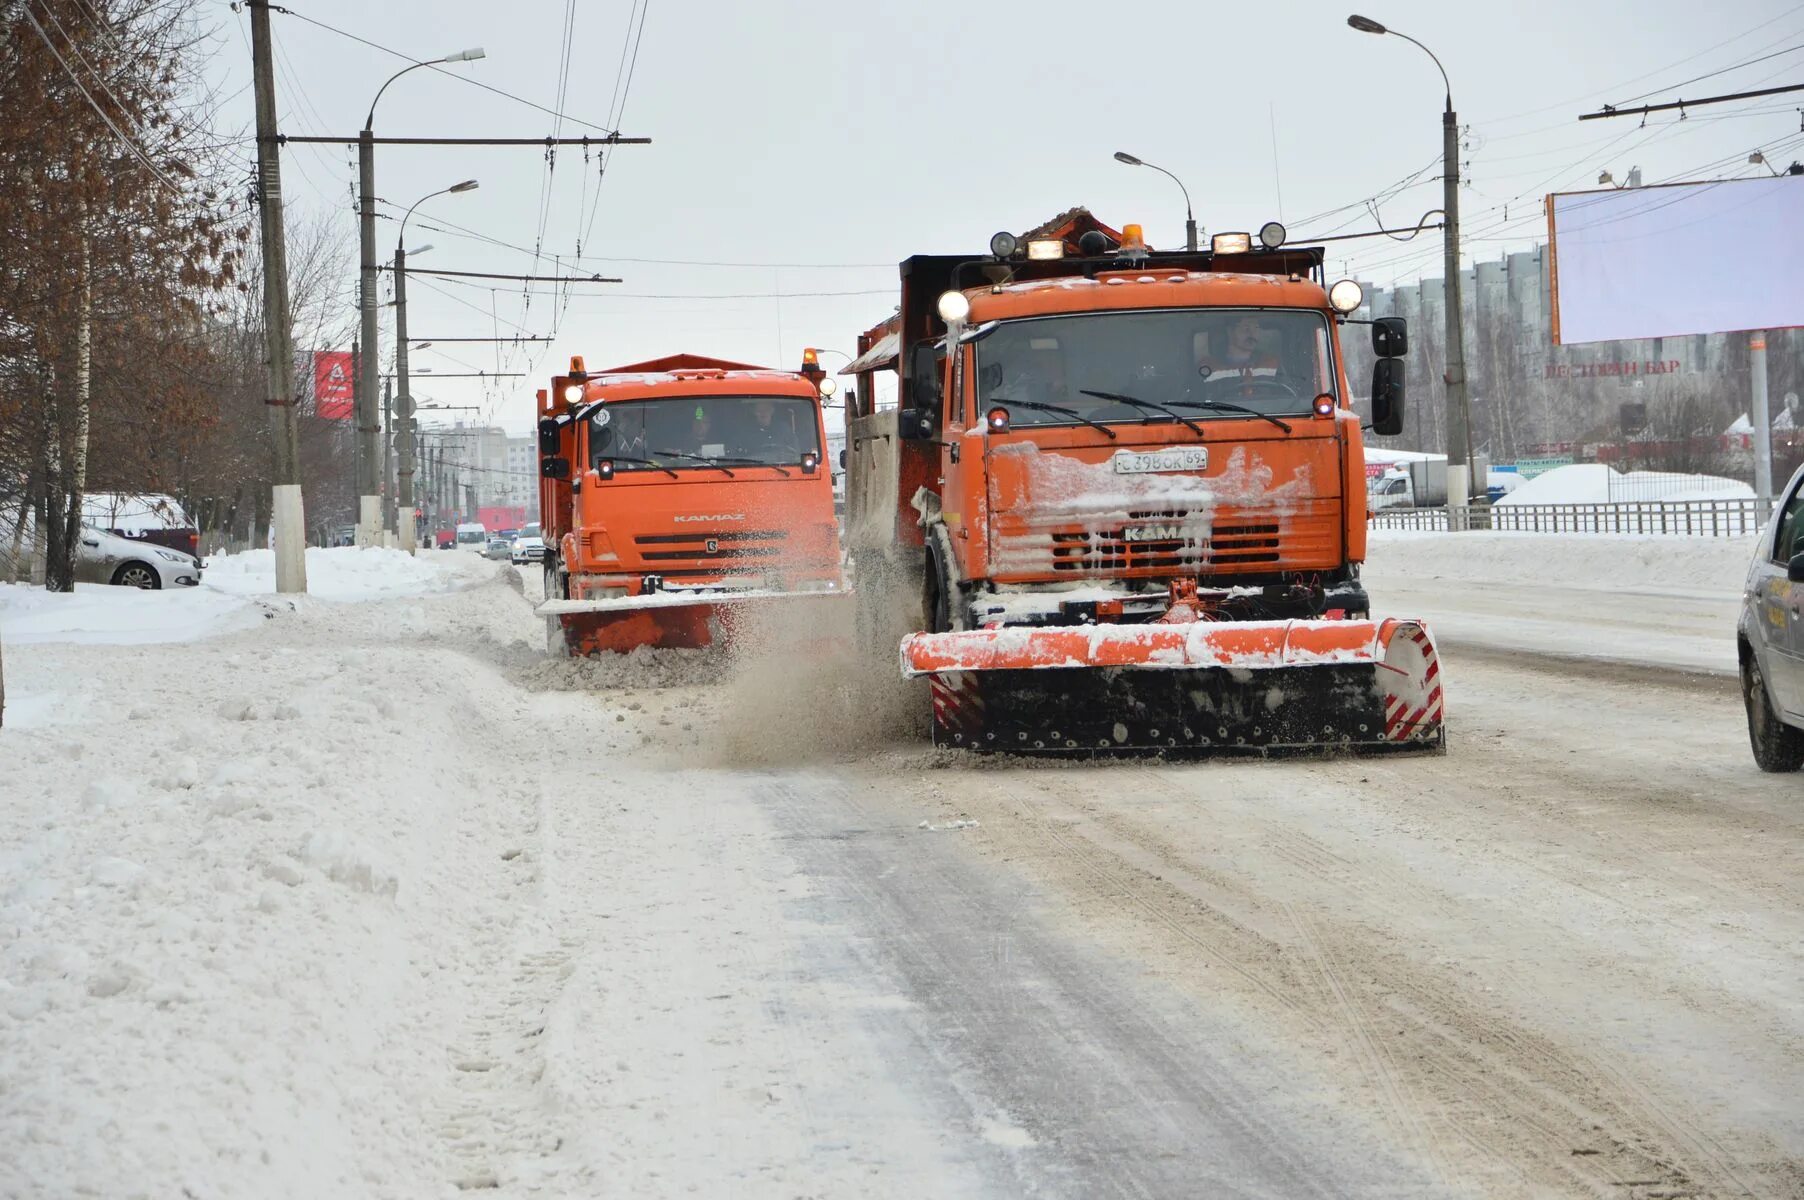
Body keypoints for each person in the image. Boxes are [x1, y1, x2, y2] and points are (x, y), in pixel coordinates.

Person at [735, 398, 799, 460]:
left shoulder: (784, 429)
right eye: (759, 410)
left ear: (772, 410)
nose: (763, 413)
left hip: (784, 466)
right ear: (754, 412)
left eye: (767, 409)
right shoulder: (746, 432)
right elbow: (739, 455)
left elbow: (796, 452)